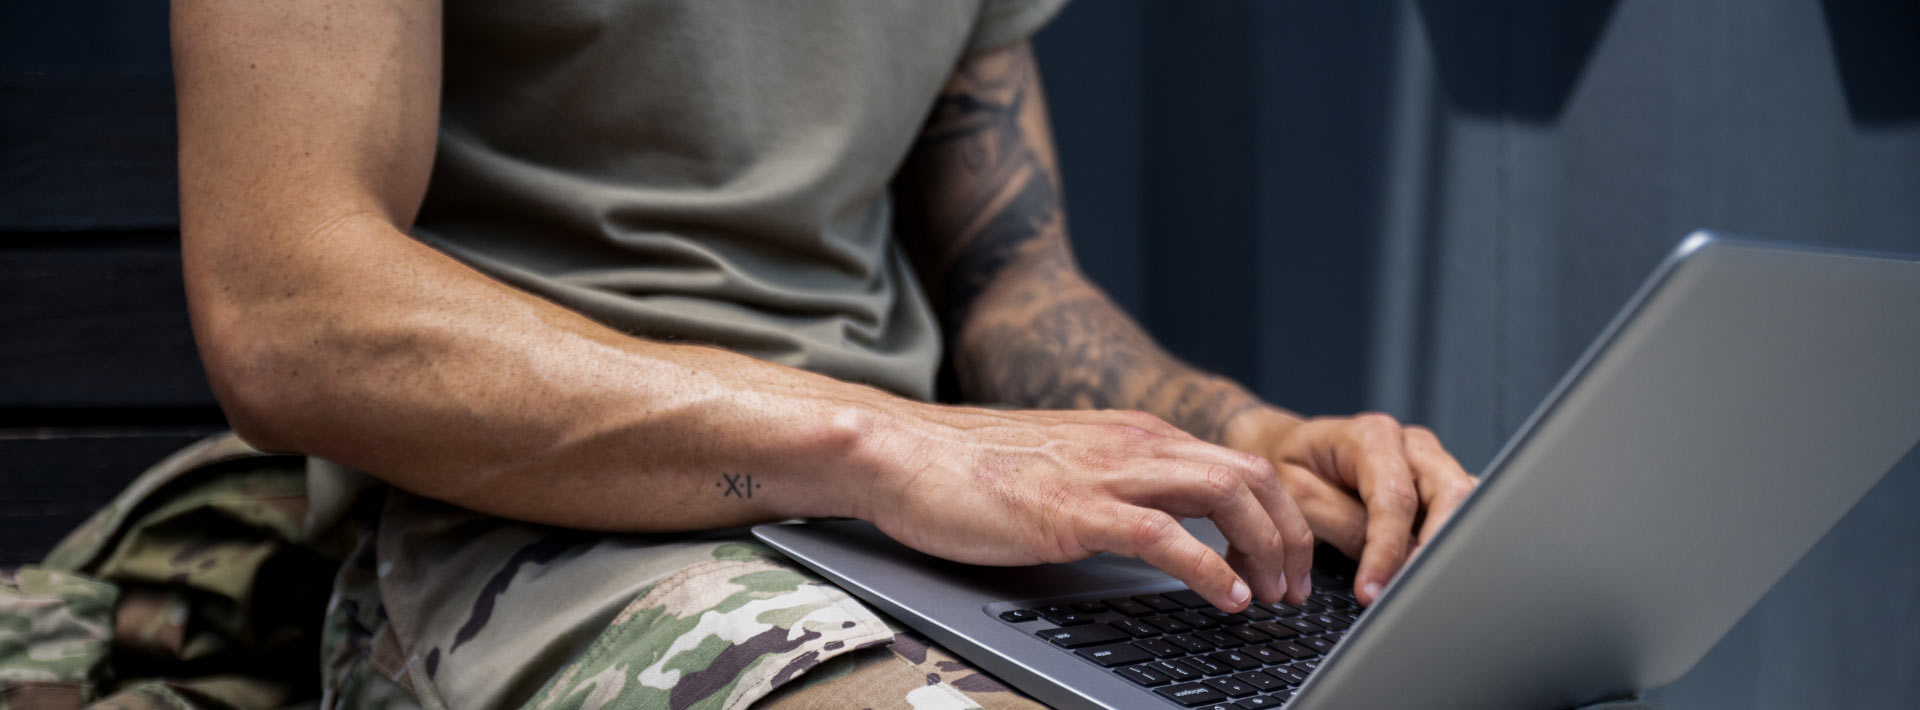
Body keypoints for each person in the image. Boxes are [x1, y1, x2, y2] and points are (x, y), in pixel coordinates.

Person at [158, 0, 1478, 706]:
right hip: (531, 532)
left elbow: (1014, 283)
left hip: (908, 537)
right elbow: (289, 311)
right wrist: (881, 445)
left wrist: (1236, 439)